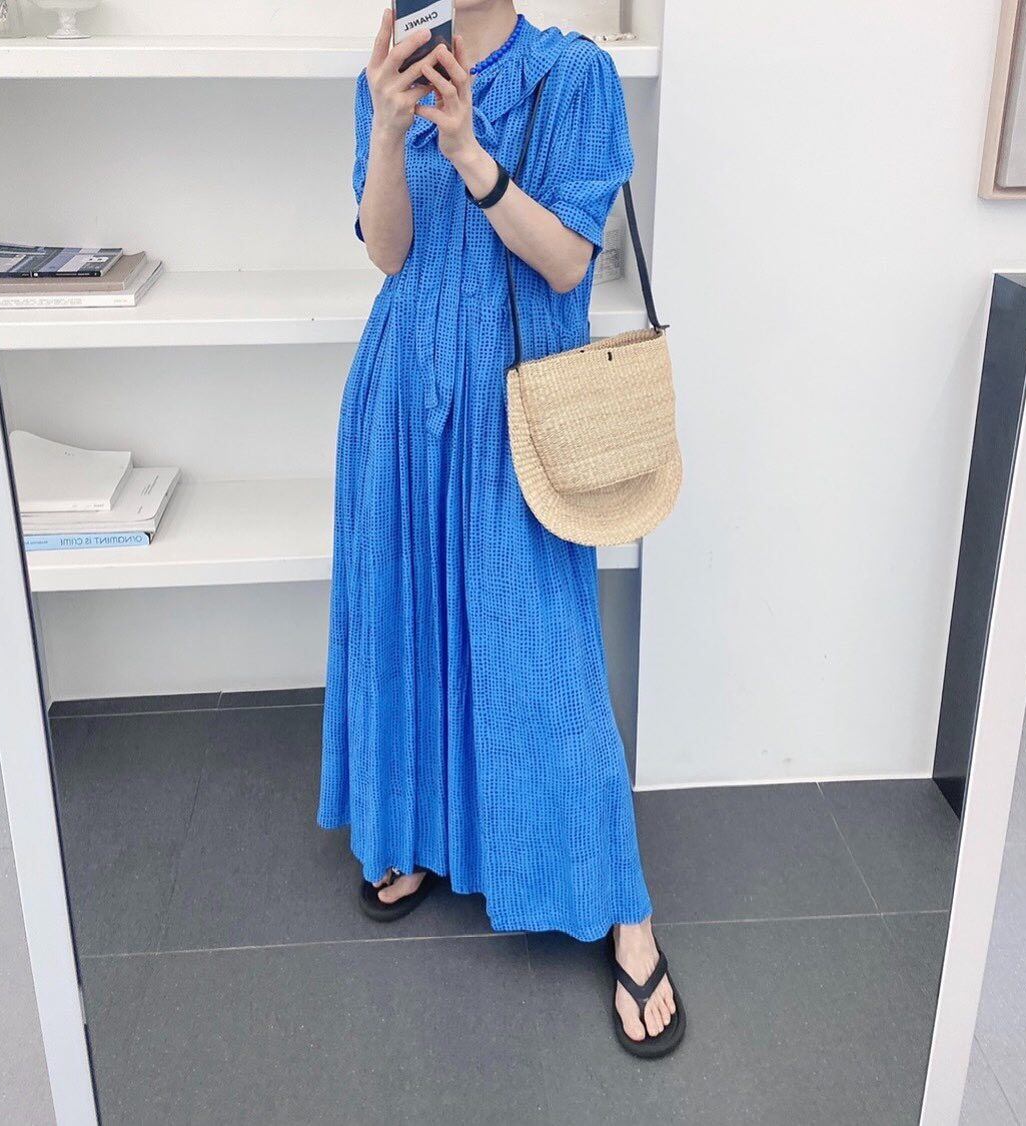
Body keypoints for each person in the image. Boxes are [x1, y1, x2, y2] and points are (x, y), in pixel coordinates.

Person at [317, 0, 683, 1057]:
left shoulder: (572, 75)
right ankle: (419, 830)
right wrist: (392, 126)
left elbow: (566, 263)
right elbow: (389, 253)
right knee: (409, 628)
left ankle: (623, 908)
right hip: (401, 393)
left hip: (517, 406)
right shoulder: (385, 74)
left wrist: (469, 152)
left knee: (545, 657)